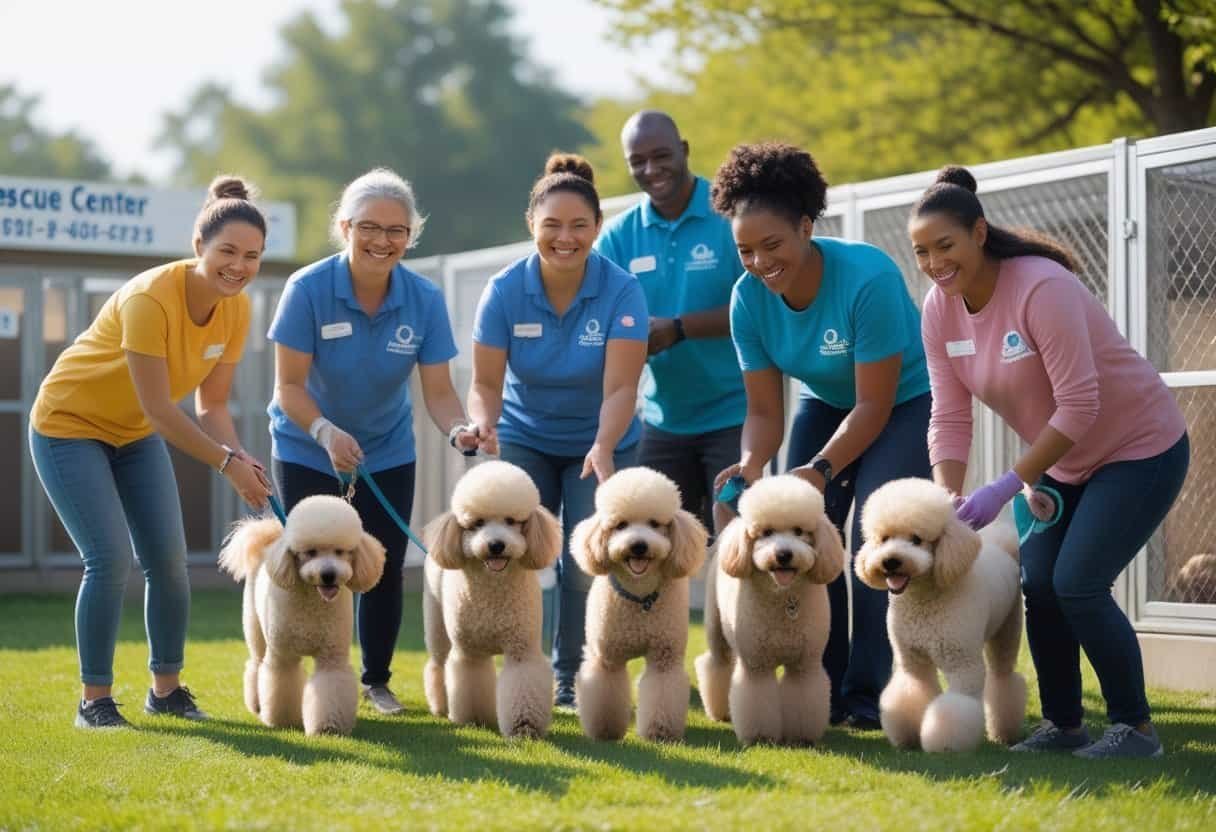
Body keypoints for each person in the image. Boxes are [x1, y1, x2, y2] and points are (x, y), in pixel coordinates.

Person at [910, 165, 1190, 759]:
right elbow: (950, 414)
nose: (935, 263)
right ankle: (1064, 726)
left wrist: (1013, 481)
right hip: (1061, 464)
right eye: (921, 252)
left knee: (1078, 583)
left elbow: (1081, 404)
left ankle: (1136, 730)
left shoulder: (1041, 287)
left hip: (1139, 448)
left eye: (945, 246)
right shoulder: (938, 308)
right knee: (1038, 581)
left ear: (979, 233)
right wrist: (948, 503)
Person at [30, 175, 274, 729]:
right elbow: (163, 409)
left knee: (168, 561)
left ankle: (166, 691)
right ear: (199, 246)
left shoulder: (237, 310)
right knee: (110, 559)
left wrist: (242, 456)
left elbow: (212, 404)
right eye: (227, 252)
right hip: (69, 425)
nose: (238, 266)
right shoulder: (149, 299)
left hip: (133, 433)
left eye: (252, 256)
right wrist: (227, 464)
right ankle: (94, 700)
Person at [711, 142, 933, 730]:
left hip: (906, 400)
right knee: (811, 531)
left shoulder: (868, 279)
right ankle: (826, 686)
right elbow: (762, 411)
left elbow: (874, 402)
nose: (759, 262)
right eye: (745, 251)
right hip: (826, 400)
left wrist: (822, 468)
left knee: (871, 536)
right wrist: (752, 462)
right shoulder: (745, 300)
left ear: (807, 227)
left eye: (773, 244)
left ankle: (869, 693)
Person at [267, 168, 481, 716]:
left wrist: (459, 430)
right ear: (344, 227)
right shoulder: (308, 289)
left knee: (378, 567)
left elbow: (437, 391)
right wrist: (324, 431)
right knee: (308, 565)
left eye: (396, 231)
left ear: (411, 236)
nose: (382, 241)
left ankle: (375, 680)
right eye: (369, 227)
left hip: (386, 450)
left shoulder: (423, 299)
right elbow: (288, 387)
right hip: (306, 445)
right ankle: (298, 672)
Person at [468, 153, 649, 708]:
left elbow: (621, 388)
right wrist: (483, 423)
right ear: (532, 226)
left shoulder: (622, 291)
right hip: (524, 435)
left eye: (578, 226)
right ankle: (519, 665)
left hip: (604, 440)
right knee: (520, 555)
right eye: (551, 226)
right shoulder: (503, 290)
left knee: (582, 561)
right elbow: (485, 383)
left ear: (598, 227)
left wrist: (602, 444)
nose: (564, 238)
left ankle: (571, 676)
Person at [594, 111, 745, 533]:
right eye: (637, 161)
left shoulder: (730, 218)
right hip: (660, 422)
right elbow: (602, 316)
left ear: (684, 150)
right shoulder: (619, 236)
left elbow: (758, 312)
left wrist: (679, 328)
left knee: (734, 534)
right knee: (649, 537)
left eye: (661, 156)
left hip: (734, 418)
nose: (651, 169)